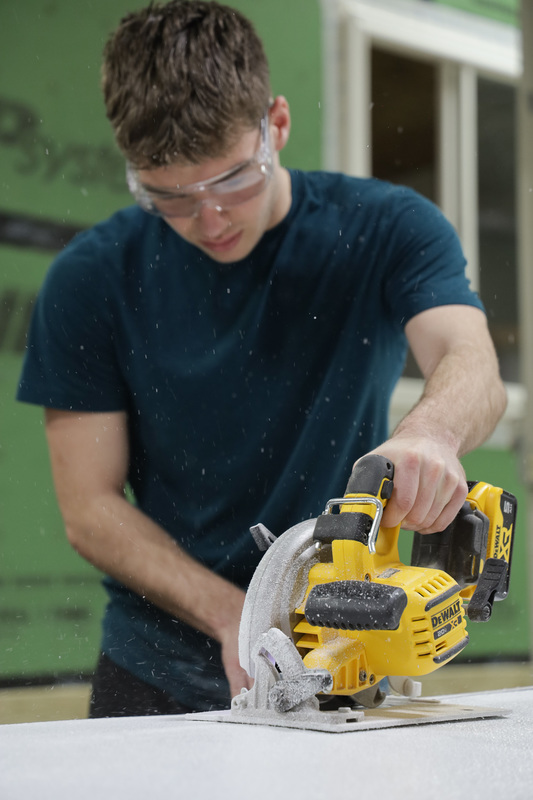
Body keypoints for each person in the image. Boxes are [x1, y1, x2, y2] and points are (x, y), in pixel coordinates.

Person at [17, 0, 506, 717]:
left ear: (274, 125)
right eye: (170, 197)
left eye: (233, 181)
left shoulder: (386, 229)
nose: (208, 219)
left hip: (344, 643)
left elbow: (471, 361)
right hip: (153, 666)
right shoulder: (89, 280)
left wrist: (429, 433)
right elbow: (89, 509)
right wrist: (235, 617)